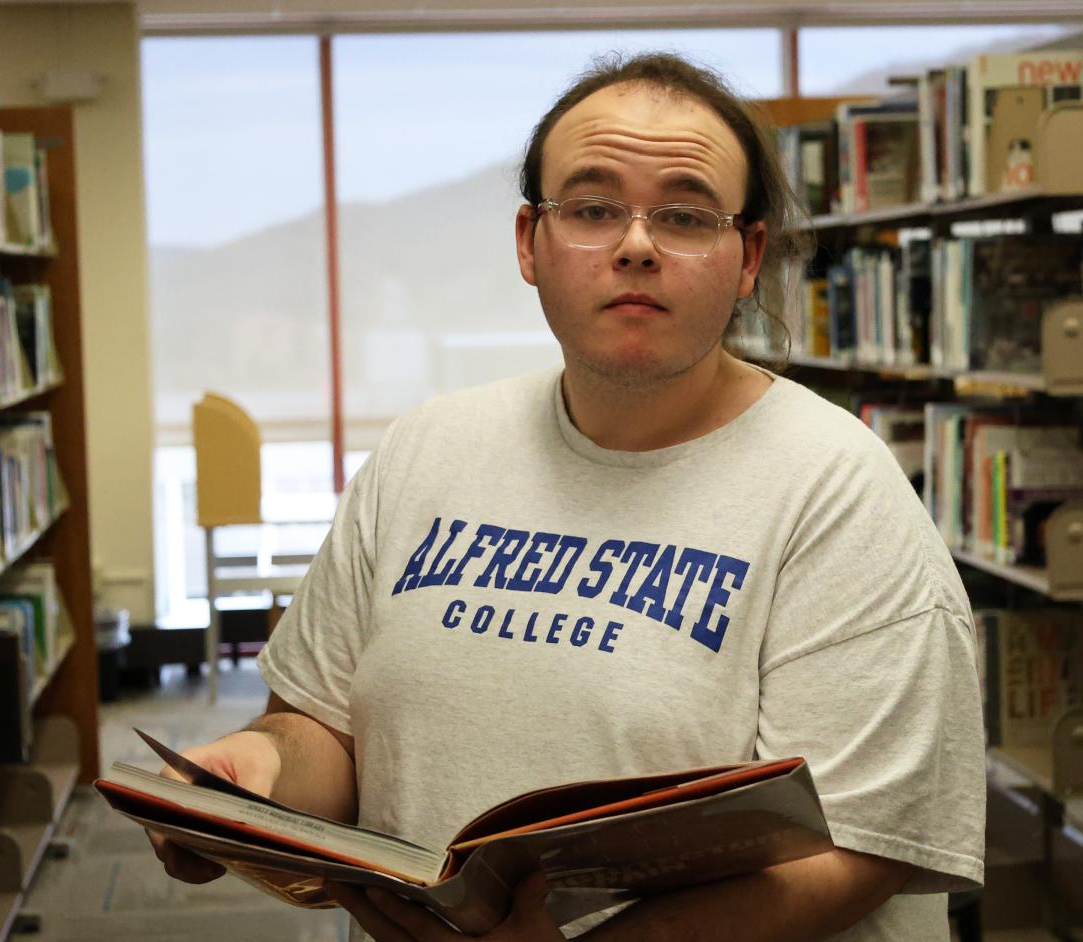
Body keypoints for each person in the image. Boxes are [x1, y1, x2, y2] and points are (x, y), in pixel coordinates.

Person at [148, 52, 985, 941]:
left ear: (748, 259)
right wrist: (256, 771)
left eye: (686, 215)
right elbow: (327, 734)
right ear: (528, 243)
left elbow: (860, 845)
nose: (635, 244)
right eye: (590, 209)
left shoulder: (836, 489)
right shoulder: (426, 449)